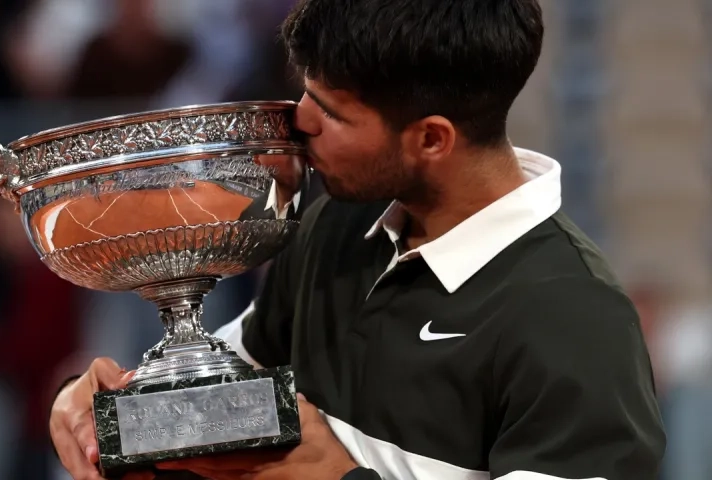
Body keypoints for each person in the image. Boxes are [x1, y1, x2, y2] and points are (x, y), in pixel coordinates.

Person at [48, 0, 666, 479]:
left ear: (431, 139)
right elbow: (230, 388)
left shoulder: (579, 323)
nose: (300, 120)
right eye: (306, 90)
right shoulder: (333, 220)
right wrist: (122, 404)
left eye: (333, 112)